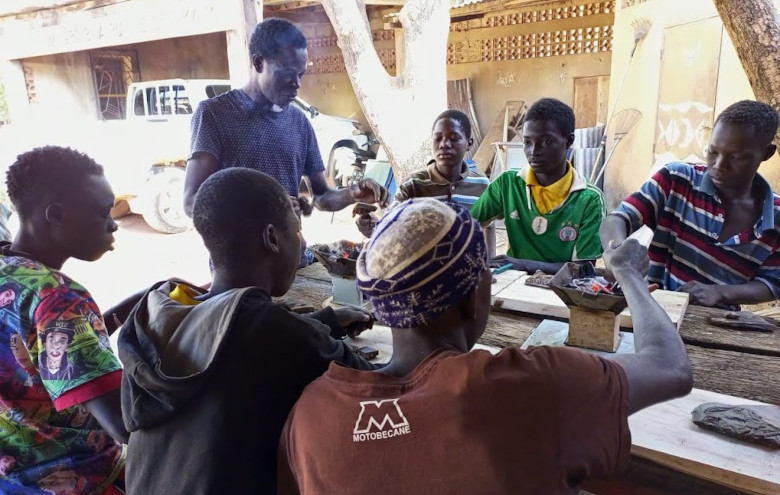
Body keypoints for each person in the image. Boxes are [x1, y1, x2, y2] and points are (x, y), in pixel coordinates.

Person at [278, 198, 692, 495]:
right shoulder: (530, 387)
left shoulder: (310, 415)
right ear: (471, 297)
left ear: (384, 309)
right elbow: (670, 367)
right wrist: (628, 275)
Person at [119, 168, 379, 495]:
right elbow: (376, 385)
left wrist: (324, 321)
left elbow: (224, 329)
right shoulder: (285, 337)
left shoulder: (160, 315)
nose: (302, 242)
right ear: (271, 238)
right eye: (296, 231)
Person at [183, 17, 389, 266]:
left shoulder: (299, 123)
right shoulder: (214, 115)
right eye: (287, 73)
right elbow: (191, 201)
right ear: (258, 62)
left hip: (292, 264)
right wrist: (260, 209)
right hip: (238, 270)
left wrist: (351, 194)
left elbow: (321, 197)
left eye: (301, 74)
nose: (297, 83)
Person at [0, 146, 129, 494]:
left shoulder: (9, 274)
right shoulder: (58, 296)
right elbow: (123, 422)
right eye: (103, 213)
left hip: (12, 477)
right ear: (57, 214)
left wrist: (121, 313)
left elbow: (33, 355)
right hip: (80, 478)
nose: (113, 223)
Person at [600, 100, 780, 308]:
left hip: (716, 325)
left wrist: (721, 292)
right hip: (652, 310)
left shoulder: (775, 218)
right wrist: (618, 253)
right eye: (713, 152)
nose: (719, 165)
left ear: (767, 153)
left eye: (736, 157)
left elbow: (772, 283)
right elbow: (618, 219)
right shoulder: (677, 179)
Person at [471, 98, 606, 274]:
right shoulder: (508, 184)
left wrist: (523, 264)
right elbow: (466, 226)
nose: (533, 152)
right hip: (513, 286)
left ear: (569, 141)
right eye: (527, 142)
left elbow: (583, 269)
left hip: (561, 292)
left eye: (546, 141)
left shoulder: (589, 199)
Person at [356, 109, 496, 253]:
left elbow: (489, 224)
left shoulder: (481, 184)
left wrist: (490, 261)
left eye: (454, 138)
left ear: (469, 143)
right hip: (424, 270)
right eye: (438, 138)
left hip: (468, 270)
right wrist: (371, 228)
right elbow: (390, 227)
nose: (444, 144)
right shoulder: (413, 186)